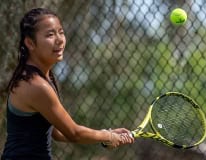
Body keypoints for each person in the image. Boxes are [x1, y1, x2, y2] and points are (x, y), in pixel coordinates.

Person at [1, 8, 134, 160]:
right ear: (30, 43)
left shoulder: (43, 77)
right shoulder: (36, 86)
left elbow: (57, 132)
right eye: (50, 34)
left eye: (61, 32)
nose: (59, 39)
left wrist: (105, 135)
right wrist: (107, 135)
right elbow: (74, 133)